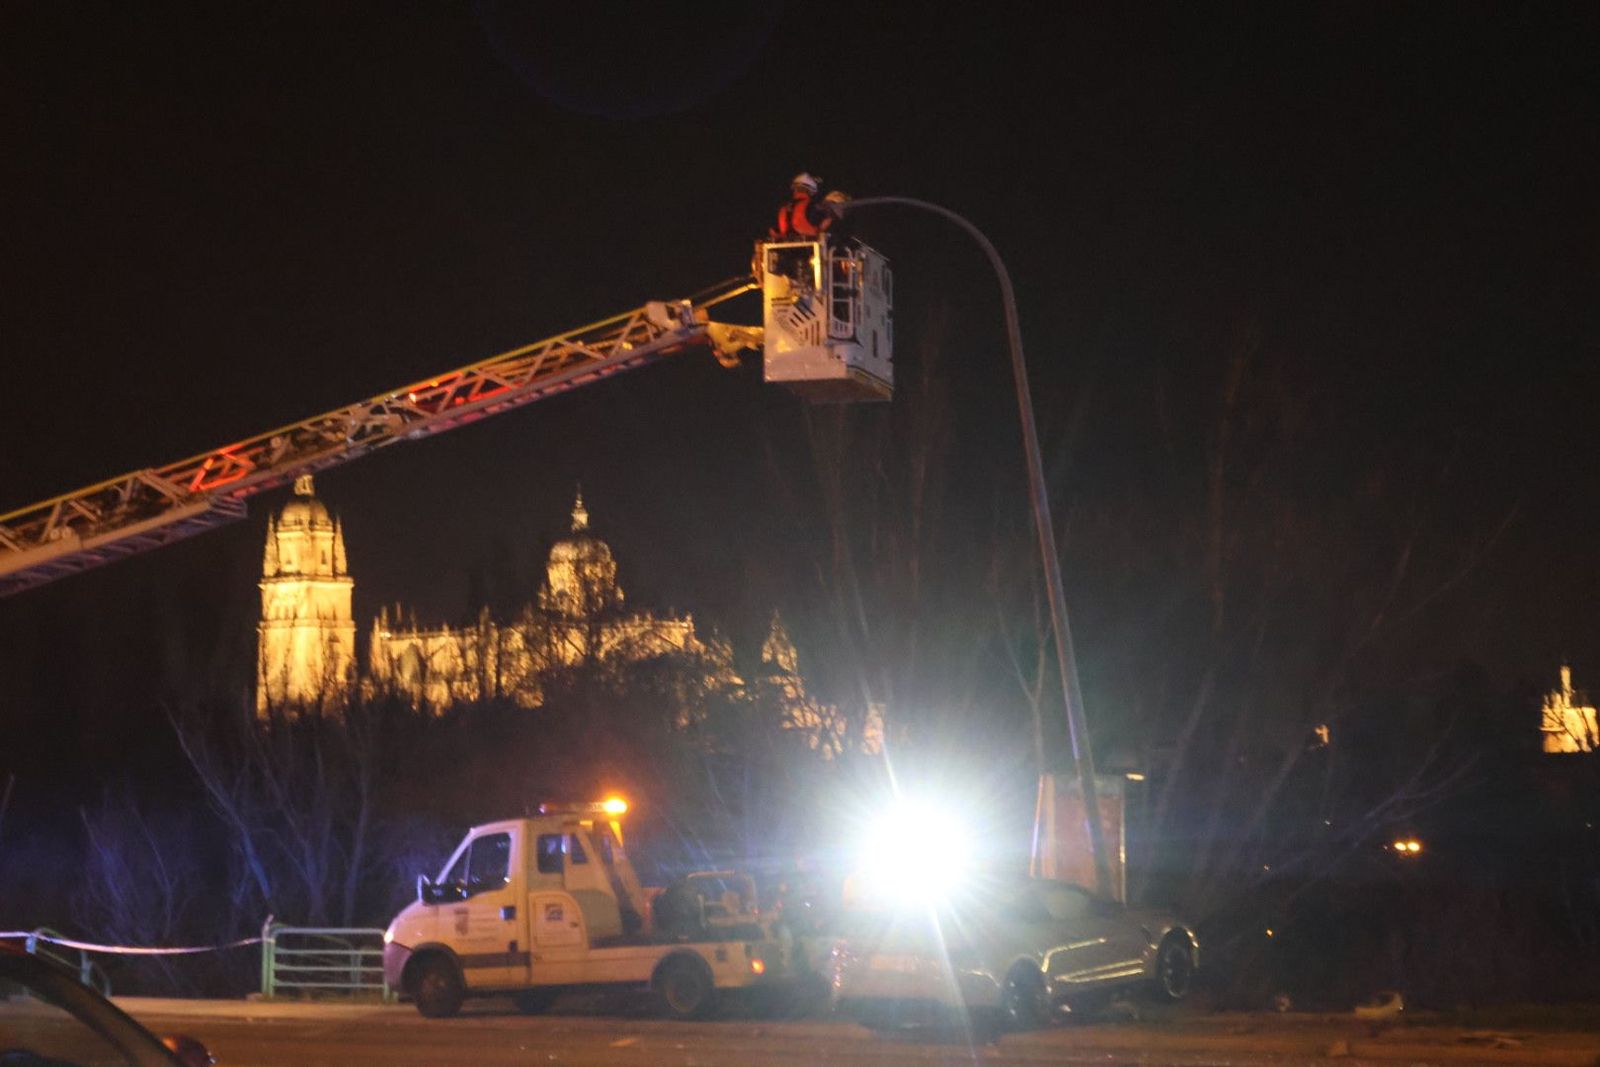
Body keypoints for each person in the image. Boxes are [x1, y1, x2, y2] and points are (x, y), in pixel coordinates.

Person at [771, 172, 833, 239]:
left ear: (794, 189)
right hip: (810, 243)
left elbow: (773, 230)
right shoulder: (812, 206)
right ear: (811, 190)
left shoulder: (783, 208)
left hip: (786, 244)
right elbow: (825, 223)